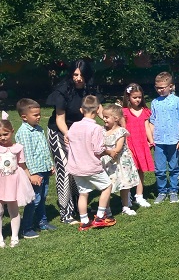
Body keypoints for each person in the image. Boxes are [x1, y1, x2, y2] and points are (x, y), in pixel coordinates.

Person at [46, 59, 103, 224]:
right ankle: (66, 213)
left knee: (77, 169)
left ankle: (79, 206)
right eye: (75, 74)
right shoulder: (63, 90)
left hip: (79, 133)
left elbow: (98, 109)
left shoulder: (90, 89)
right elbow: (59, 119)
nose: (78, 78)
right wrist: (69, 134)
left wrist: (110, 121)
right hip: (59, 132)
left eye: (82, 75)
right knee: (65, 170)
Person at [66, 95, 115, 231]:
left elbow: (68, 141)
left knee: (83, 193)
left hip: (76, 167)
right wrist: (108, 151)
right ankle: (100, 216)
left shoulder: (74, 126)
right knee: (107, 186)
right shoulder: (96, 128)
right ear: (98, 109)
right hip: (92, 166)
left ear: (81, 110)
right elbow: (98, 149)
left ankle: (84, 221)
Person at [15, 99, 56, 239]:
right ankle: (26, 228)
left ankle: (42, 222)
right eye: (35, 115)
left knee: (43, 197)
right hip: (34, 172)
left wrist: (50, 164)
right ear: (24, 117)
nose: (38, 117)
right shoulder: (24, 133)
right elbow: (26, 156)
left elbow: (44, 148)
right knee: (34, 199)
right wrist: (32, 175)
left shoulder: (38, 129)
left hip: (43, 168)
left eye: (39, 114)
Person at [150, 72, 179, 204]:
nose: (160, 90)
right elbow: (152, 121)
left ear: (170, 86)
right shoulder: (154, 102)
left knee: (174, 167)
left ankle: (173, 190)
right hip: (159, 141)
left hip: (174, 140)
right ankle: (162, 191)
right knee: (159, 169)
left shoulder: (178, 101)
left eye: (163, 87)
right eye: (157, 87)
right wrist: (151, 138)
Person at [0, 118, 36, 247]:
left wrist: (30, 176)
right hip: (1, 181)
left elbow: (22, 164)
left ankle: (14, 236)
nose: (3, 138)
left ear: (12, 132)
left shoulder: (17, 148)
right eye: (0, 135)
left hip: (14, 181)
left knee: (13, 209)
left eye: (5, 134)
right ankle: (0, 237)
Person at [101, 104, 141, 216]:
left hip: (120, 163)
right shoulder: (102, 130)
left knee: (124, 185)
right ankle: (106, 209)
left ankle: (125, 206)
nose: (104, 119)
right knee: (106, 186)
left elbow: (117, 149)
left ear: (116, 119)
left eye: (106, 117)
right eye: (104, 116)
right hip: (107, 163)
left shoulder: (121, 132)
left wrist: (105, 151)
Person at [121, 83, 154, 209]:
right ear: (128, 97)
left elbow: (146, 127)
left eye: (139, 97)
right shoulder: (124, 112)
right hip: (130, 144)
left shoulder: (145, 111)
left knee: (140, 170)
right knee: (129, 171)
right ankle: (127, 196)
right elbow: (123, 129)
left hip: (141, 144)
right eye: (135, 97)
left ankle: (139, 196)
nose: (138, 100)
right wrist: (125, 145)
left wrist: (150, 140)